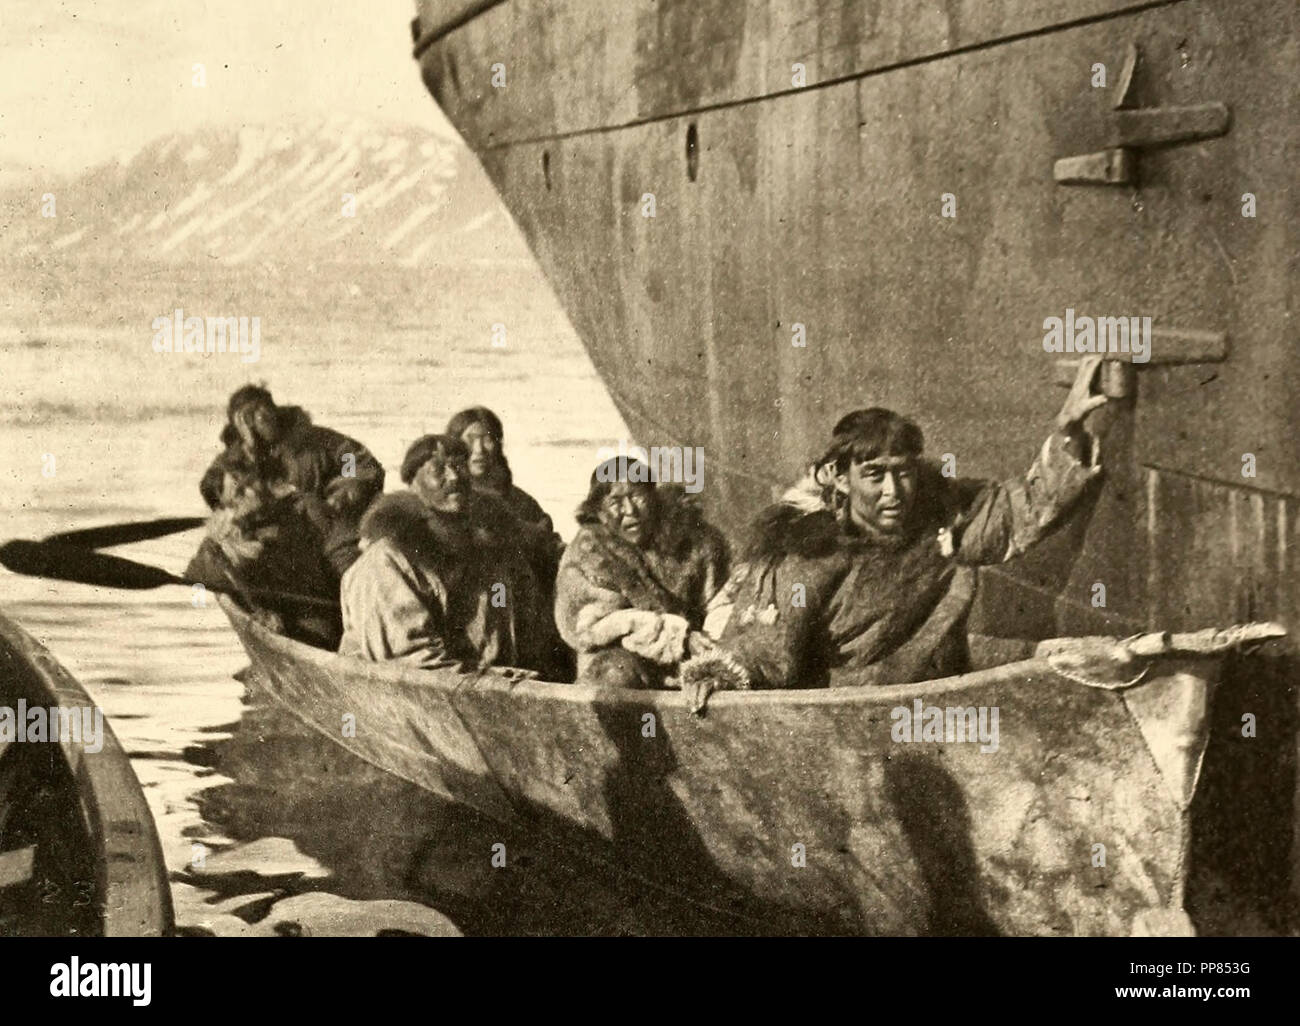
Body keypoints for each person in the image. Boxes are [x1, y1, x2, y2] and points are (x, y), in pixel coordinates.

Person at [689, 355, 1109, 696]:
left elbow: (1021, 511)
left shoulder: (939, 516)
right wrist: (719, 673)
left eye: (903, 472)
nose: (893, 491)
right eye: (874, 475)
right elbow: (766, 647)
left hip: (932, 683)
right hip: (850, 708)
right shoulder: (808, 552)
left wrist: (1067, 430)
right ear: (841, 478)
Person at [338, 434, 568, 677]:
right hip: (422, 692)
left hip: (494, 684)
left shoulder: (493, 540)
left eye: (459, 466)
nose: (454, 476)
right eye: (438, 470)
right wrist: (496, 681)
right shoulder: (387, 560)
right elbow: (410, 660)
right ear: (412, 482)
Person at [554, 458, 730, 689]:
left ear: (653, 497)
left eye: (637, 496)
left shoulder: (696, 541)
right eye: (615, 501)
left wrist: (713, 648)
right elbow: (590, 630)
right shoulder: (590, 555)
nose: (629, 511)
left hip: (691, 663)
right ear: (599, 510)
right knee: (614, 672)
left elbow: (721, 600)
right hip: (619, 667)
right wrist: (680, 638)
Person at [199, 385, 385, 575]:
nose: (260, 417)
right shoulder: (236, 459)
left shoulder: (318, 443)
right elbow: (212, 488)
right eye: (249, 416)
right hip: (275, 538)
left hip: (326, 527)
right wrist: (249, 451)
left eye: (262, 408)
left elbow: (354, 462)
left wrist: (345, 490)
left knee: (347, 562)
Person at [185, 462, 342, 648]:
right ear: (224, 509)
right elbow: (196, 582)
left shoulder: (300, 509)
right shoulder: (220, 545)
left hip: (333, 603)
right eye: (240, 492)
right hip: (304, 621)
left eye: (249, 482)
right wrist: (224, 548)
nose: (252, 491)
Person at [445, 406, 555, 533]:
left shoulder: (520, 501)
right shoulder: (443, 497)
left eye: (487, 439)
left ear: (498, 445)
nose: (479, 449)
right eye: (470, 440)